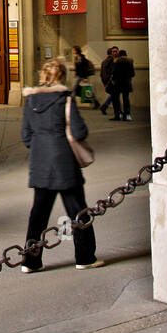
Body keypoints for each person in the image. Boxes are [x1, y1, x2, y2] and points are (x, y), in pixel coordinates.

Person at [20, 58, 105, 273]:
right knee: (78, 211)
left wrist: (41, 146)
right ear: (62, 76)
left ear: (43, 75)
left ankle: (31, 262)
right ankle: (84, 257)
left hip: (40, 162)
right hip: (64, 161)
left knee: (38, 214)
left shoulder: (30, 101)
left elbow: (26, 136)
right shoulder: (65, 99)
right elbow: (78, 132)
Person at [112, 49, 135, 121]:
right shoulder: (130, 62)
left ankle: (118, 114)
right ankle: (127, 115)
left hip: (118, 82)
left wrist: (113, 79)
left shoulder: (117, 62)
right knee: (126, 98)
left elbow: (114, 73)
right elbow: (133, 74)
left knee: (116, 99)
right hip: (127, 82)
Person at [100, 46, 120, 117]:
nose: (114, 53)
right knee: (114, 95)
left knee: (113, 95)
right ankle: (105, 106)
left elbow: (101, 73)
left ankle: (105, 106)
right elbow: (112, 72)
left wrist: (104, 82)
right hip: (112, 81)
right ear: (111, 53)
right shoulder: (112, 61)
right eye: (113, 52)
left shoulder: (103, 61)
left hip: (107, 81)